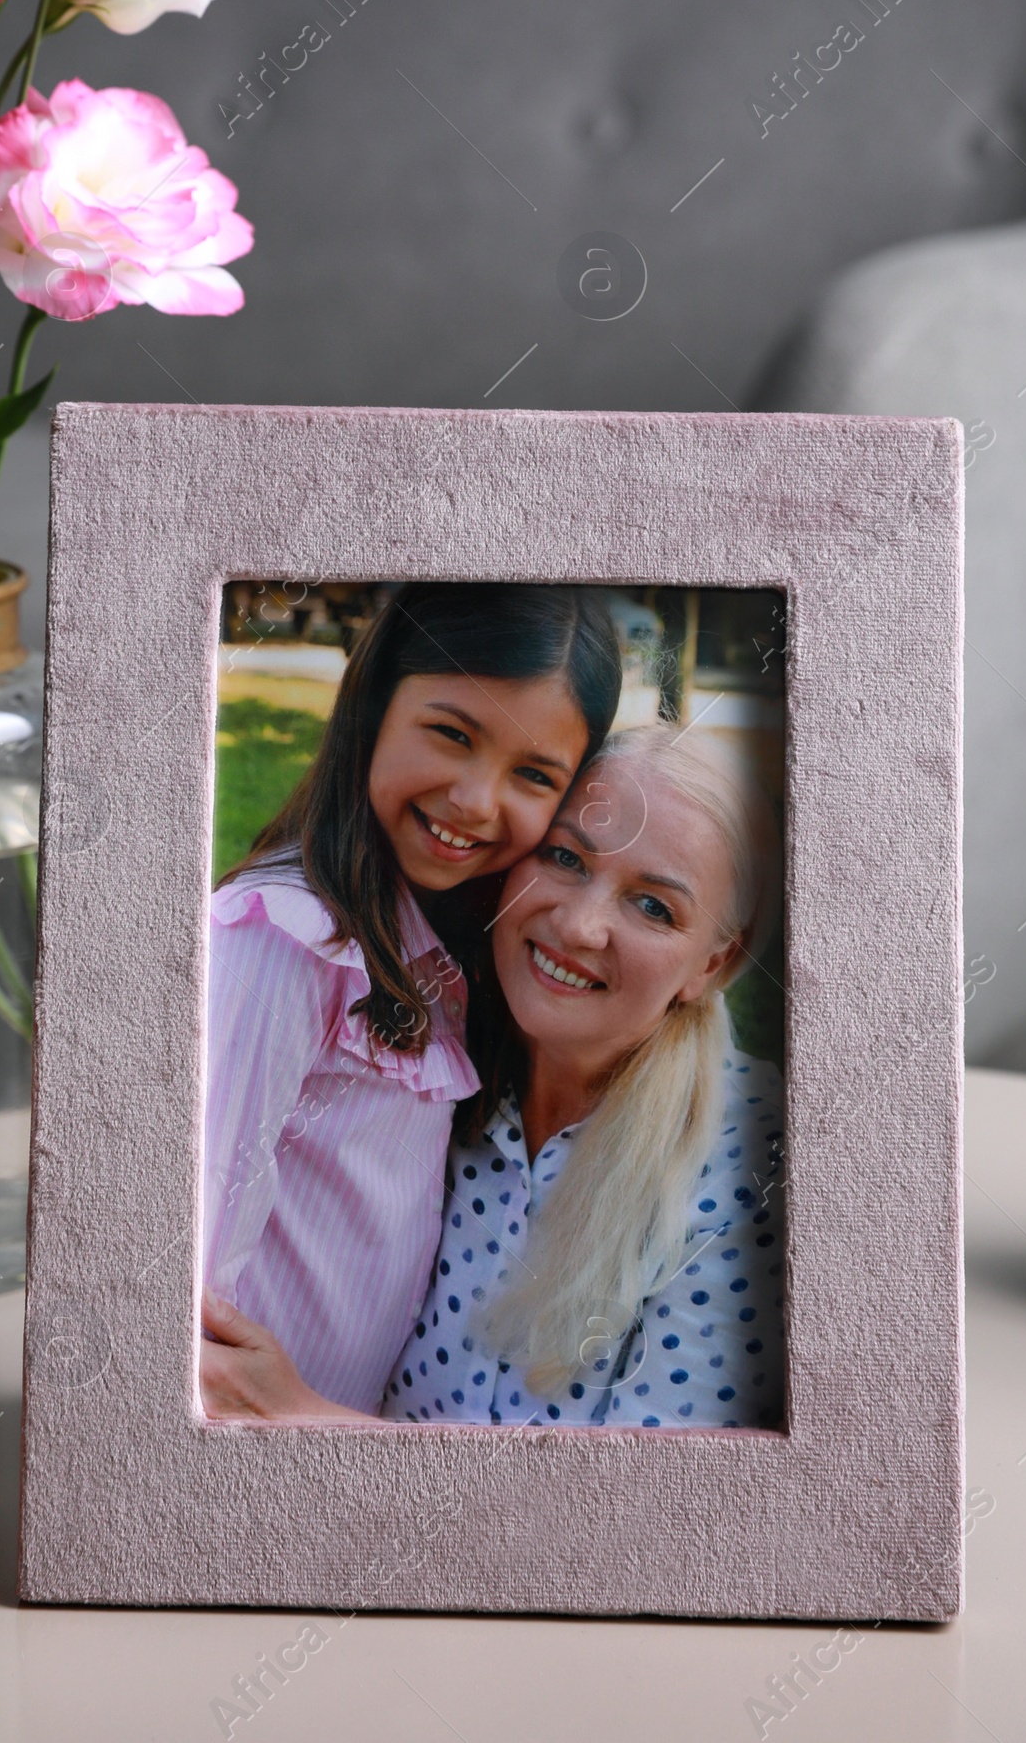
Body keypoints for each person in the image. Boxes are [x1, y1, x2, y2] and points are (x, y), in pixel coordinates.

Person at [206, 723, 784, 1430]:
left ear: (714, 964)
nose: (580, 925)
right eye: (566, 857)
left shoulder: (752, 1173)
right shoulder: (440, 1075)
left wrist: (301, 1417)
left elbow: (649, 1520)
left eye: (653, 906)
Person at [201, 584, 622, 1418]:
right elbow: (193, 1241)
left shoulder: (435, 941)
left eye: (533, 774)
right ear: (375, 702)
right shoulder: (288, 939)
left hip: (335, 1445)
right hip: (252, 1449)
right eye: (452, 733)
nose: (474, 799)